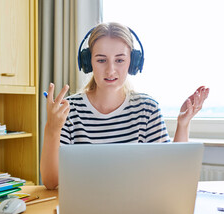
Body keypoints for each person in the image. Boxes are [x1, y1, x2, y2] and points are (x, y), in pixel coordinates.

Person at [41, 22, 209, 190]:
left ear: (133, 62)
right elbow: (51, 182)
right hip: (86, 210)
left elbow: (171, 173)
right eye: (101, 60)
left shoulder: (147, 109)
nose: (111, 70)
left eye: (120, 60)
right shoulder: (70, 111)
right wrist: (52, 129)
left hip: (137, 209)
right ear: (88, 61)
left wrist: (183, 124)